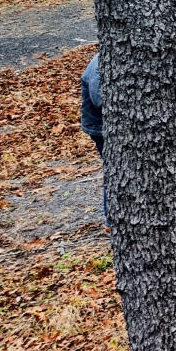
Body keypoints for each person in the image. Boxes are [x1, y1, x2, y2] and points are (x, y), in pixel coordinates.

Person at [80, 54, 107, 225]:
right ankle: (111, 221)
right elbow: (99, 100)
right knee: (115, 170)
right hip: (100, 128)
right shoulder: (99, 66)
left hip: (102, 125)